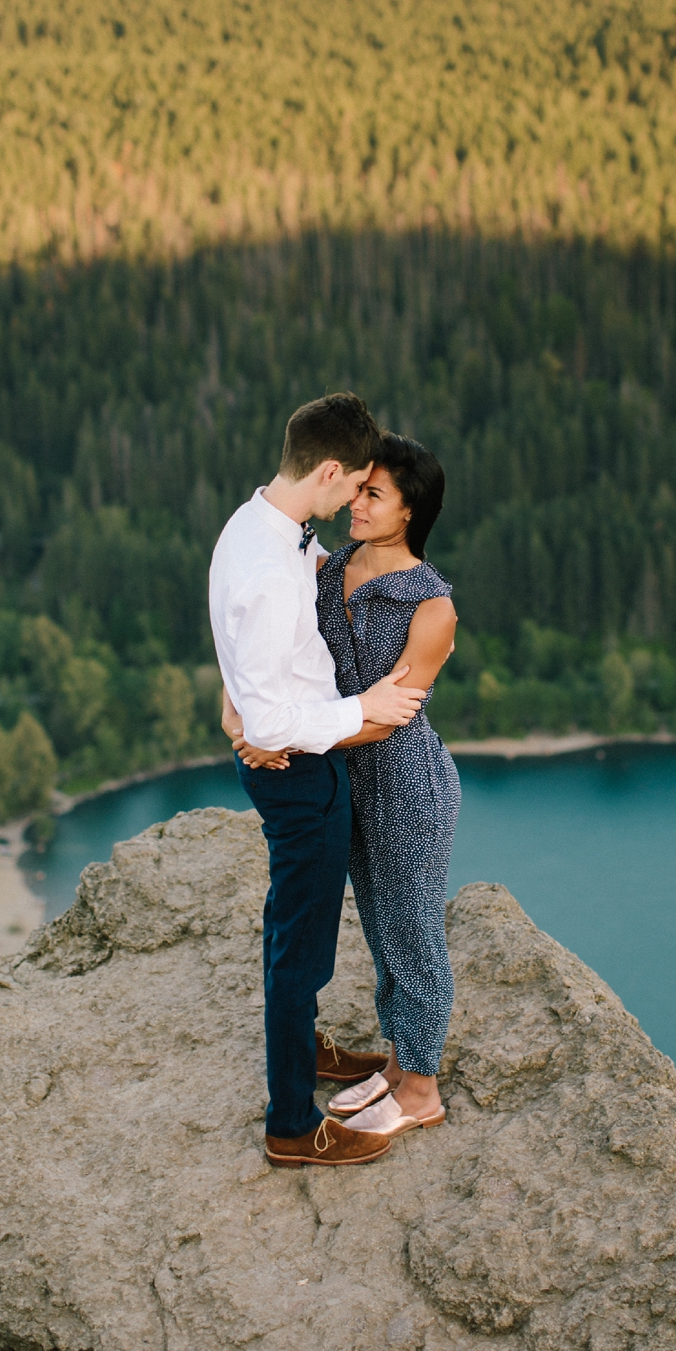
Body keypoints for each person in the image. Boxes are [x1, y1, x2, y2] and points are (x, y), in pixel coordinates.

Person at [207, 391, 427, 1168]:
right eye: (353, 485)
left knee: (288, 926)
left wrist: (233, 709)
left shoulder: (257, 523)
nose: (352, 502)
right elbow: (271, 723)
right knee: (302, 950)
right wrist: (359, 708)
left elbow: (246, 660)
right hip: (302, 774)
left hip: (292, 765)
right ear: (329, 469)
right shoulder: (270, 568)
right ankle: (293, 1127)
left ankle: (302, 1045)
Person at [311, 434, 461, 1139]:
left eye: (373, 493)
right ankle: (400, 1066)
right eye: (357, 488)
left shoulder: (432, 609)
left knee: (416, 938)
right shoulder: (328, 570)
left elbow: (383, 721)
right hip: (351, 783)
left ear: (408, 512)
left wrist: (288, 735)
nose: (355, 501)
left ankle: (423, 1090)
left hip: (407, 787)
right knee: (381, 932)